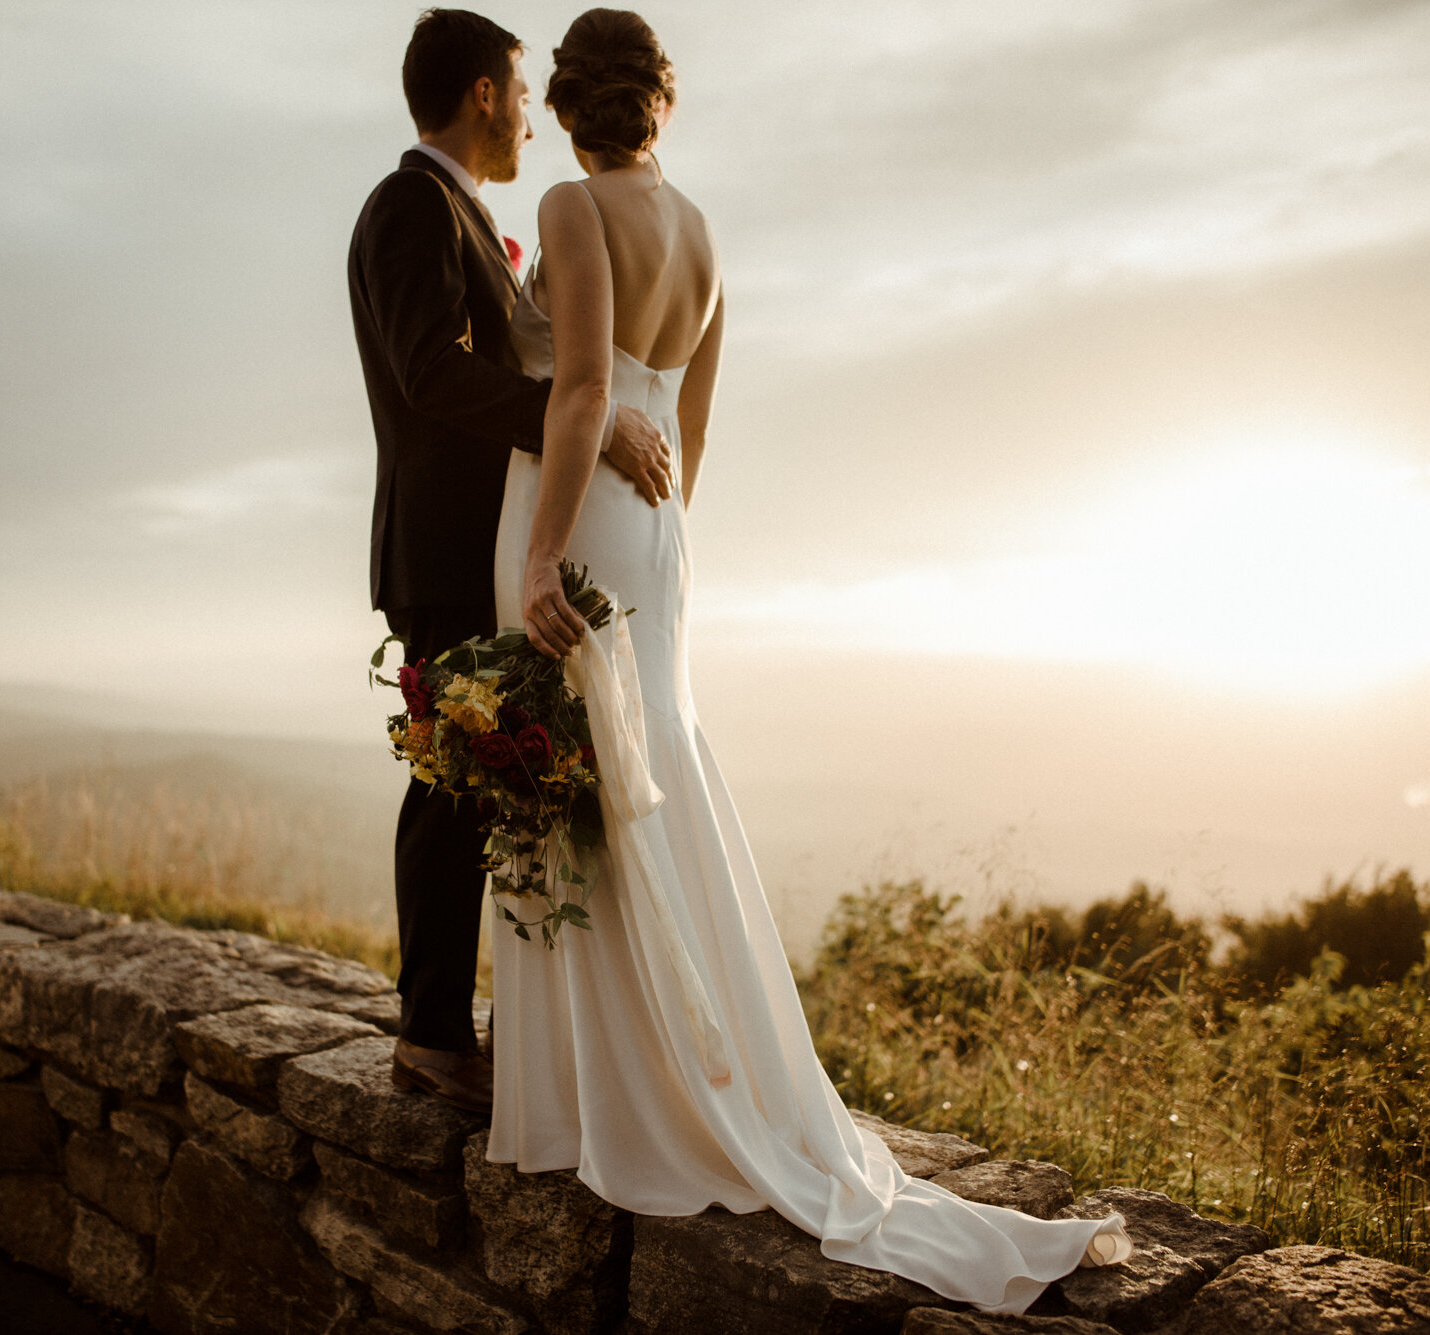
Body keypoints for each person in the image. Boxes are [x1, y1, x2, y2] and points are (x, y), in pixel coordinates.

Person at [483, 8, 1137, 1314]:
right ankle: (685, 1067)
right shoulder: (711, 238)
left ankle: (606, 1096)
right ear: (661, 104)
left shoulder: (568, 204)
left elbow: (580, 386)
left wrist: (549, 551)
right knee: (646, 754)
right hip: (663, 532)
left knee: (580, 765)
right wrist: (654, 543)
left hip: (585, 507)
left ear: (567, 106)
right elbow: (694, 432)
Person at [346, 8, 675, 1116]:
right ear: (483, 93)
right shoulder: (409, 206)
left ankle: (504, 1027)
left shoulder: (470, 219)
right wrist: (572, 417)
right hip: (440, 547)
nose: (530, 119)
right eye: (519, 95)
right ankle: (431, 1034)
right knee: (448, 782)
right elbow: (430, 374)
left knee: (492, 781)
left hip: (482, 542)